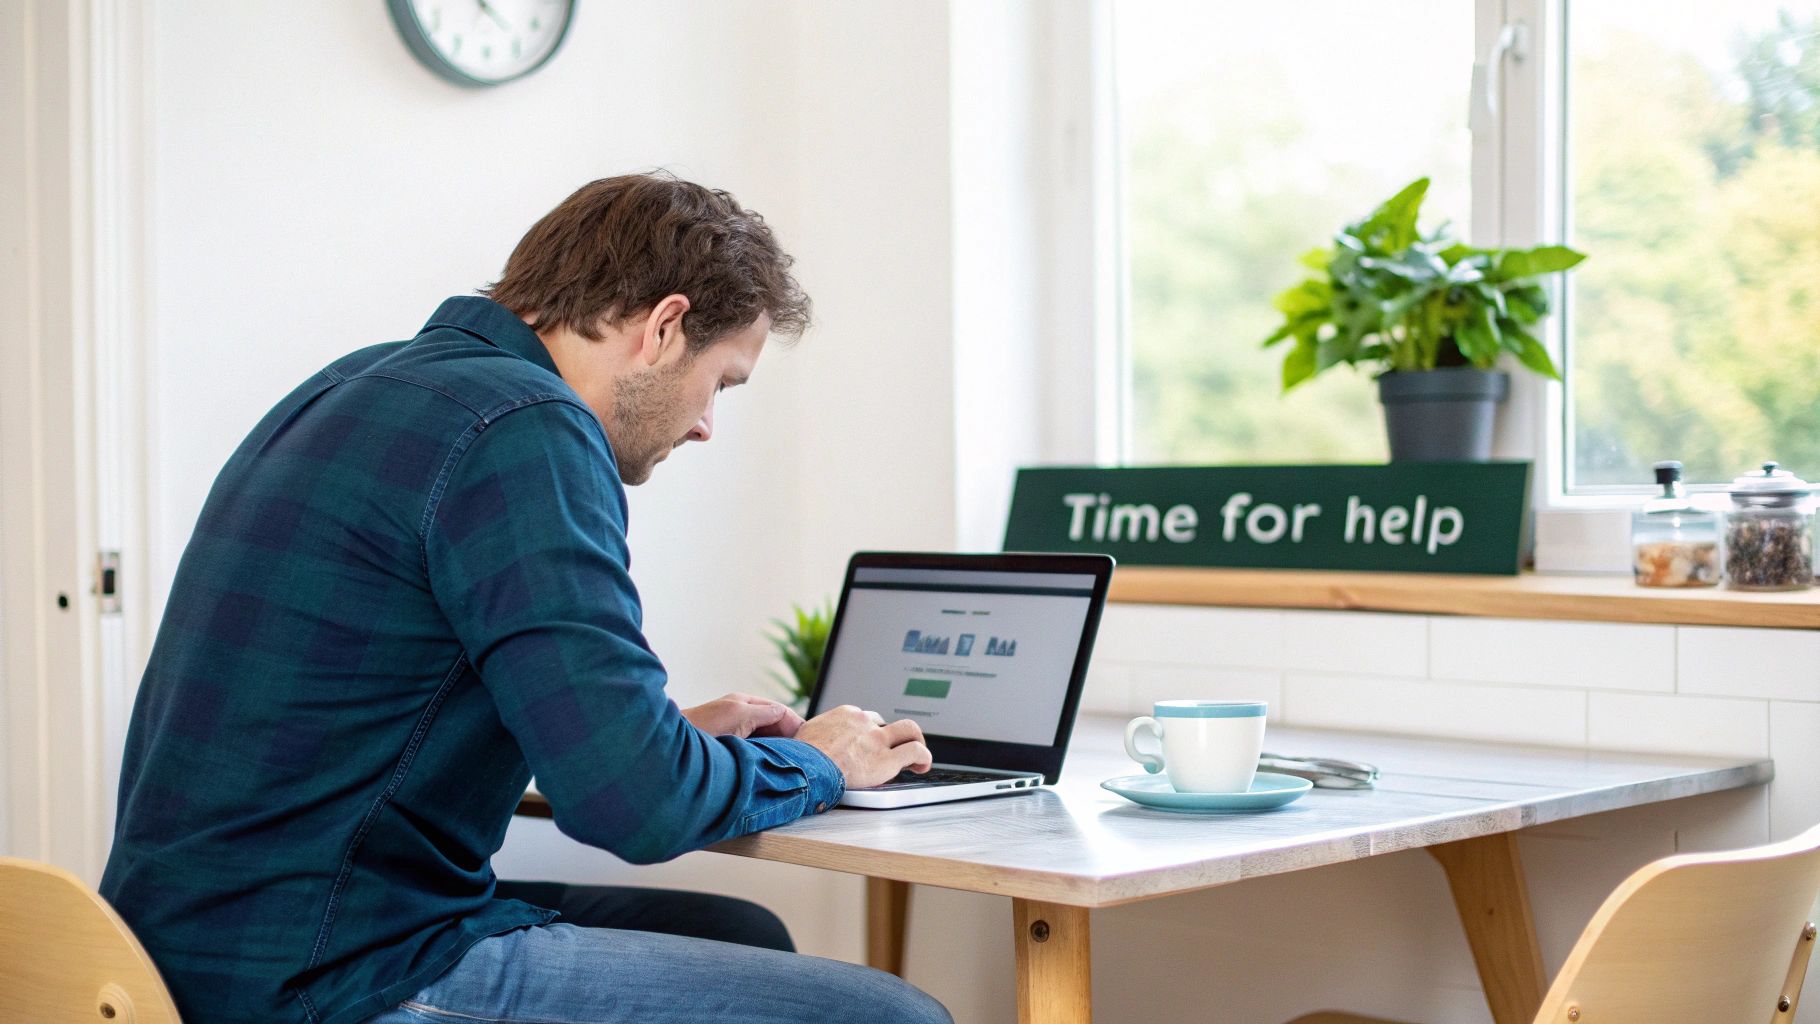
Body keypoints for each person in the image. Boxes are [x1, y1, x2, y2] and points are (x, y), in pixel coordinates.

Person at [99, 173, 953, 1024]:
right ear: (664, 327)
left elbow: (370, 721)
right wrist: (824, 763)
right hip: (327, 975)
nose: (704, 426)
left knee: (742, 930)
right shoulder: (526, 429)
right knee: (895, 1017)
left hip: (176, 952)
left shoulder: (352, 385)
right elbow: (635, 807)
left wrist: (663, 738)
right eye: (721, 383)